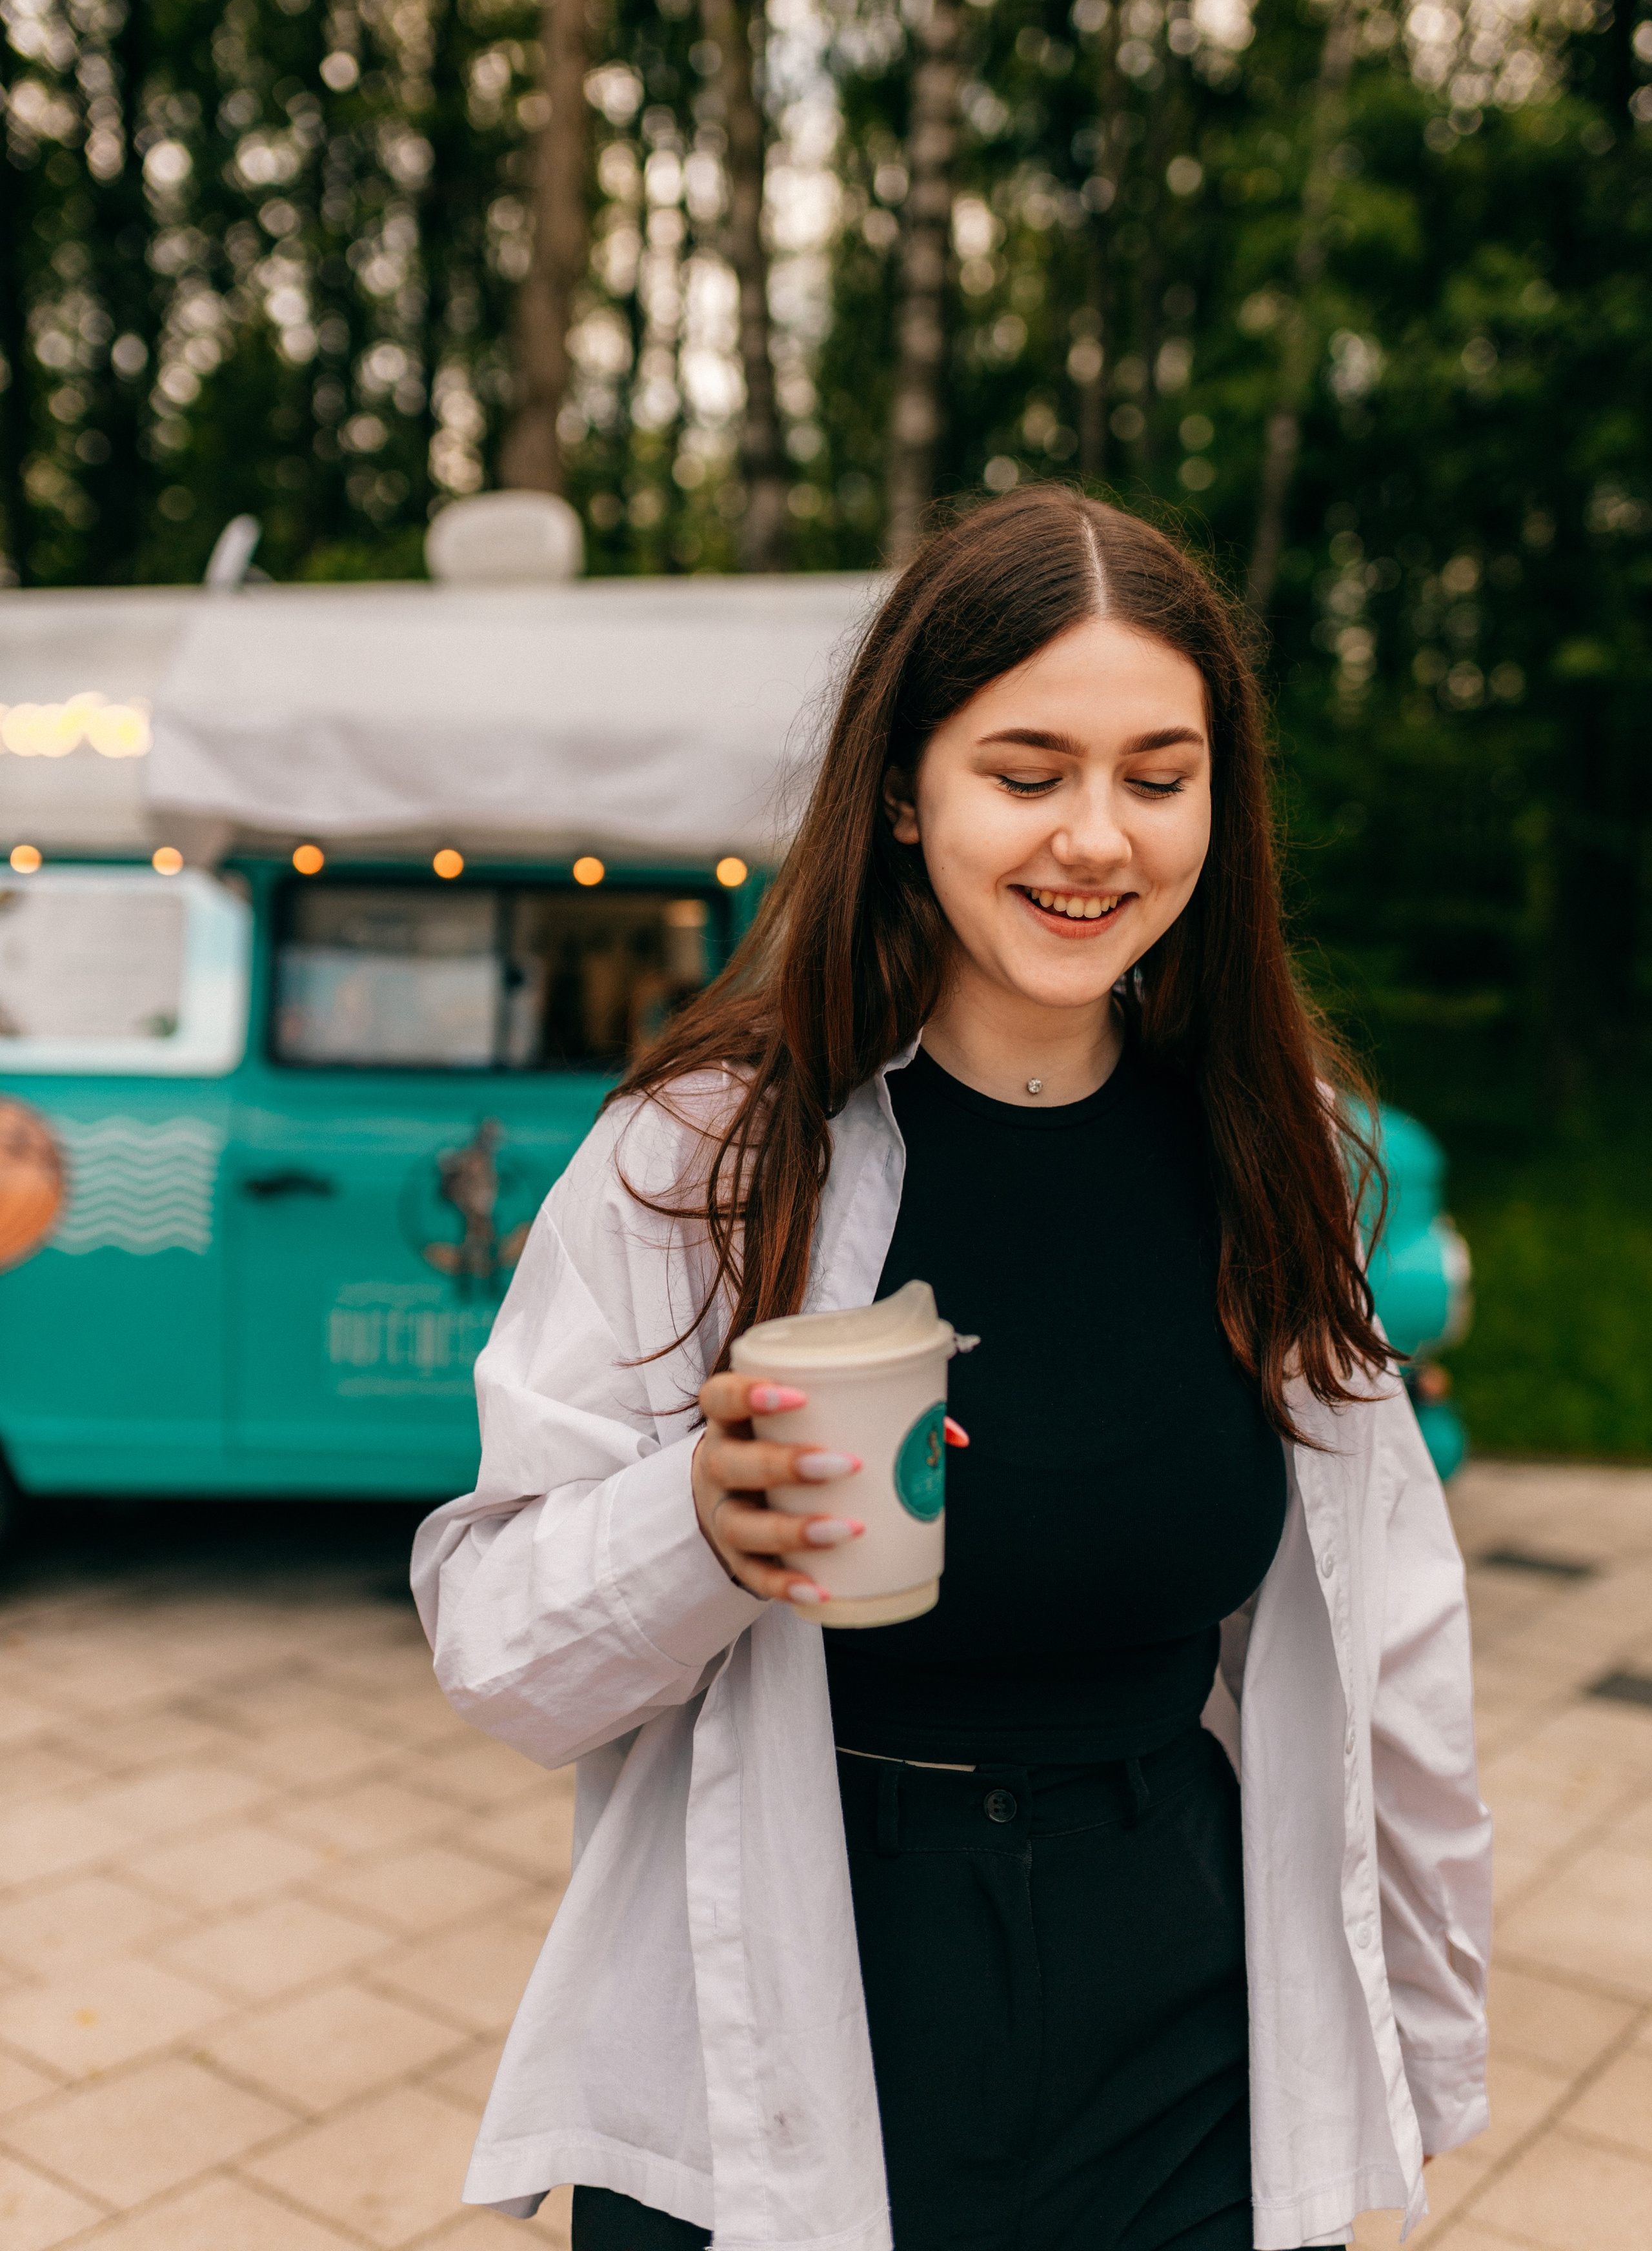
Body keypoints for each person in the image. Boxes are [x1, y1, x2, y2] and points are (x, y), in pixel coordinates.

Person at [412, 487, 1491, 2251]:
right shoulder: (704, 1158)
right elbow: (497, 1650)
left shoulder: (1277, 1153)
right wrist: (701, 1528)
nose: (1097, 837)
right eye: (1027, 771)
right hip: (785, 1997)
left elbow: (1398, 1660)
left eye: (1159, 776)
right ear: (907, 791)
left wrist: (1422, 2050)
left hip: (1183, 2016)